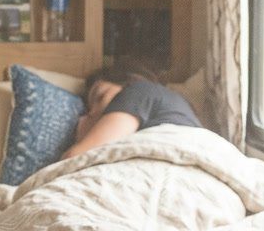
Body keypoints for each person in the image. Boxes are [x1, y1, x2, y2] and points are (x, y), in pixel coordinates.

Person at [62, 64, 200, 159]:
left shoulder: (139, 91)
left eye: (100, 97)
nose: (92, 113)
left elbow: (77, 158)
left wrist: (82, 136)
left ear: (126, 83)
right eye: (89, 108)